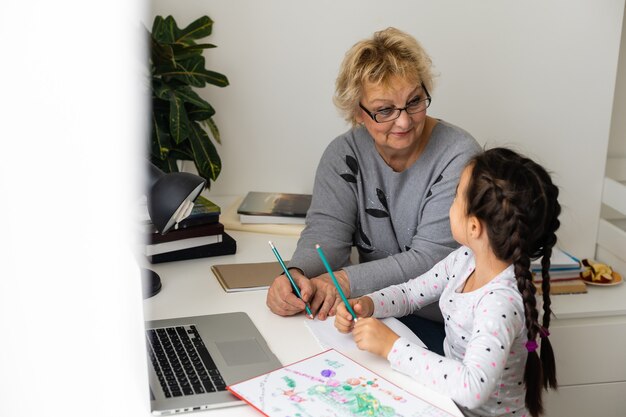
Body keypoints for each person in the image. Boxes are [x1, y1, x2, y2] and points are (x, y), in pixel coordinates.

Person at [266, 27, 481, 351]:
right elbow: (325, 235)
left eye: (414, 102)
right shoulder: (342, 154)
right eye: (384, 110)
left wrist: (342, 281)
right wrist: (296, 276)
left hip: (446, 326)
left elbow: (430, 260)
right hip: (376, 312)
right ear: (357, 112)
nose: (404, 121)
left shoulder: (459, 155)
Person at [334, 147, 561, 417]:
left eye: (455, 198)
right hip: (447, 403)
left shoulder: (500, 302)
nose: (450, 206)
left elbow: (471, 387)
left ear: (474, 227)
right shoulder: (465, 259)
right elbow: (410, 293)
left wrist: (391, 346)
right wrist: (369, 304)